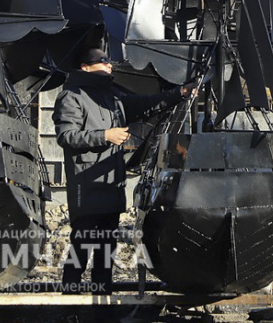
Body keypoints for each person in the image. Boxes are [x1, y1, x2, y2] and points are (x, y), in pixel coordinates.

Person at [53, 47, 196, 294]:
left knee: (106, 247)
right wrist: (105, 135)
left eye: (108, 61)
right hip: (86, 185)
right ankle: (70, 298)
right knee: (82, 242)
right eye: (102, 61)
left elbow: (146, 104)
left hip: (112, 184)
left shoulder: (112, 96)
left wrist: (179, 93)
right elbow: (66, 136)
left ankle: (102, 297)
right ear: (85, 67)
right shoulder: (71, 96)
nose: (109, 65)